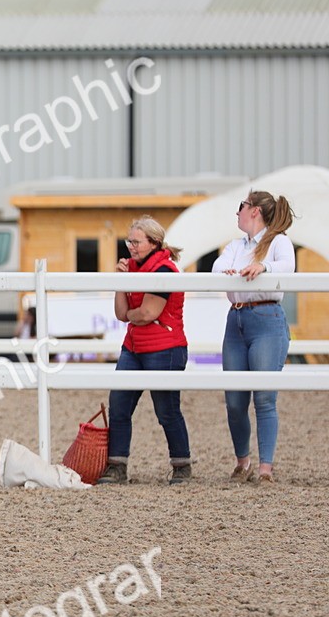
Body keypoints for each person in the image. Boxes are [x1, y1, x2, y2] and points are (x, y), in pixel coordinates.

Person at [96, 216, 192, 486]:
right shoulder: (135, 271)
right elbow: (122, 313)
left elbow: (148, 312)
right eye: (130, 241)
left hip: (164, 347)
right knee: (119, 405)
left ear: (153, 243)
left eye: (136, 242)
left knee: (167, 410)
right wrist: (122, 282)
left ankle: (181, 464)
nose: (131, 247)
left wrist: (133, 313)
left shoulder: (165, 271)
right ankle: (117, 465)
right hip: (135, 345)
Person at [212, 191, 296, 484]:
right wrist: (230, 272)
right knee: (234, 399)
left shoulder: (278, 242)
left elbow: (288, 266)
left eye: (242, 207)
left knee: (264, 396)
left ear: (255, 211)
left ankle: (265, 467)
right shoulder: (236, 245)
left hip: (266, 317)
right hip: (237, 317)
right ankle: (242, 460)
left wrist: (264, 266)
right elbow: (217, 268)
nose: (238, 213)